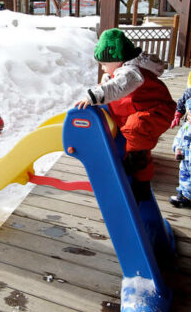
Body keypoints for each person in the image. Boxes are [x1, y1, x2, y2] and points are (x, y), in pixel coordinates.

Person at [75, 28, 176, 200]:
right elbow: (117, 81)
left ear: (118, 59)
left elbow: (120, 85)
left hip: (157, 112)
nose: (102, 67)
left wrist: (94, 96)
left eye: (105, 64)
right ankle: (138, 161)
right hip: (147, 110)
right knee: (136, 137)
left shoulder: (131, 72)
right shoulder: (128, 69)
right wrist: (107, 80)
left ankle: (139, 176)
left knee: (136, 130)